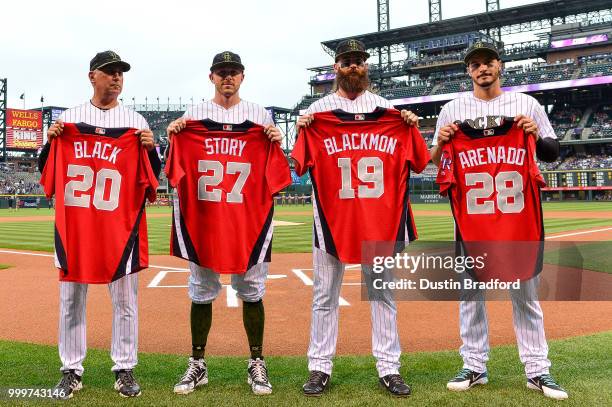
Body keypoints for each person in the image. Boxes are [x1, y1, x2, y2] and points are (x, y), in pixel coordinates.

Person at [430, 41, 566, 400]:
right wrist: (441, 144)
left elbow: (552, 154)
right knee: (470, 294)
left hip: (517, 220)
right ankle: (474, 366)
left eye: (488, 62)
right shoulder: (452, 111)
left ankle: (538, 371)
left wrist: (533, 134)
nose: (482, 69)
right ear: (468, 71)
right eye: (475, 64)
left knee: (525, 293)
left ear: (499, 65)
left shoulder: (527, 105)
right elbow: (434, 166)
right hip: (472, 222)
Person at [295, 39, 422, 397]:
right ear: (336, 67)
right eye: (347, 61)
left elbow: (418, 159)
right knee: (323, 295)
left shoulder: (389, 111)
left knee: (382, 294)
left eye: (359, 62)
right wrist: (303, 127)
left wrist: (409, 123)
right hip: (332, 222)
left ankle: (389, 368)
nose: (354, 67)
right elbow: (300, 163)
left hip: (377, 220)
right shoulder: (317, 112)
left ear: (366, 67)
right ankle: (319, 367)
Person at [39, 50, 161, 399]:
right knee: (71, 299)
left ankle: (124, 368)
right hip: (75, 227)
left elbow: (153, 178)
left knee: (125, 301)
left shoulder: (136, 123)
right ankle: (70, 370)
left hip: (121, 229)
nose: (117, 77)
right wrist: (51, 142)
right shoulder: (69, 120)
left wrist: (151, 150)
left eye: (120, 72)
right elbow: (45, 172)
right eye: (109, 72)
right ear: (92, 76)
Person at [166, 51, 283, 396]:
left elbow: (276, 170)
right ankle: (197, 363)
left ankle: (257, 362)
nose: (227, 77)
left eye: (233, 72)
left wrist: (276, 141)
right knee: (201, 290)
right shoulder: (194, 116)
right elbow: (175, 169)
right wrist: (175, 135)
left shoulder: (260, 116)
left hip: (247, 217)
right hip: (205, 216)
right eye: (221, 73)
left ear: (242, 77)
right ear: (211, 77)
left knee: (252, 288)